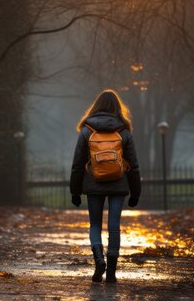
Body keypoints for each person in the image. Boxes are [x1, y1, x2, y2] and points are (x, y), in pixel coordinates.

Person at [69, 89, 141, 283]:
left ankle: (99, 259)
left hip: (94, 183)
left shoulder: (87, 130)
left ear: (96, 106)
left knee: (95, 224)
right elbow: (133, 165)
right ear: (118, 108)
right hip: (118, 184)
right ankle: (111, 273)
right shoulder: (124, 131)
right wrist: (135, 193)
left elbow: (77, 164)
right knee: (114, 226)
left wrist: (75, 191)